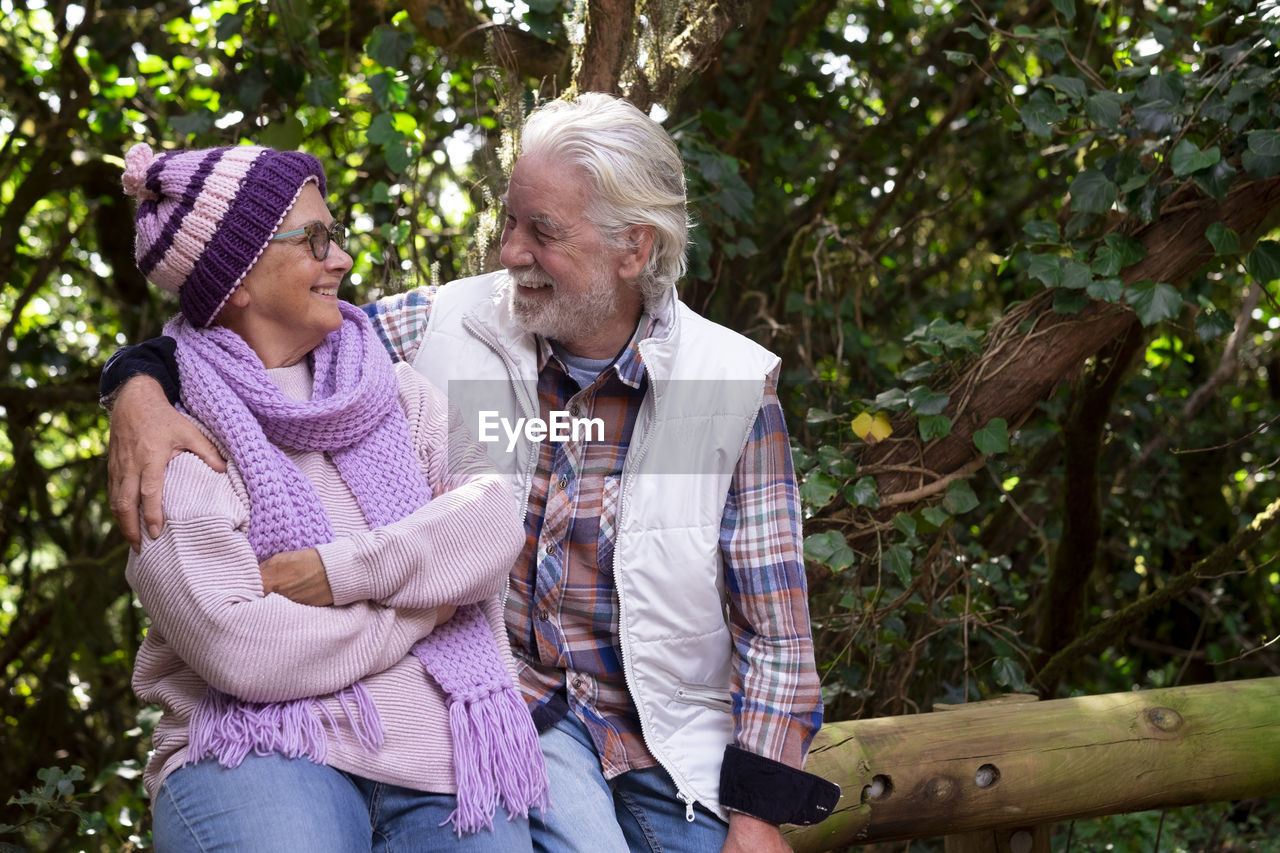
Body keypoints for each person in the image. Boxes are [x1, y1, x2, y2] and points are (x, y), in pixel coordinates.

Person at [103, 94, 840, 853]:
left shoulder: (727, 387)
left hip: (671, 740)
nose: (510, 252)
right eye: (509, 221)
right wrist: (136, 385)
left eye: (542, 231)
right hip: (513, 714)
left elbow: (776, 634)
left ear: (634, 249)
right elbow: (250, 328)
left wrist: (757, 814)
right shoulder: (436, 327)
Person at [114, 141, 548, 851]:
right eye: (315, 239)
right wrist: (417, 614)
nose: (340, 258)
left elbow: (492, 519)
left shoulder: (394, 388)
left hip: (442, 753)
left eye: (334, 234)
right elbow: (241, 647)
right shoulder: (172, 430)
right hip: (264, 747)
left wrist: (340, 571)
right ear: (238, 277)